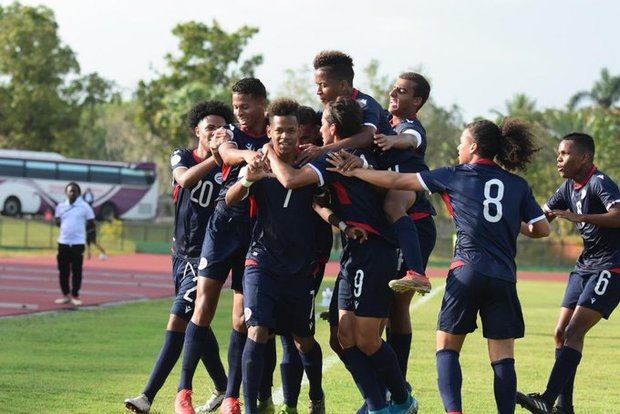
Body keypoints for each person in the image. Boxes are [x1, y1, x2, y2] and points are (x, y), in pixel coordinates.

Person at [327, 118, 551, 414]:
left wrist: (359, 170)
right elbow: (542, 229)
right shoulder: (517, 184)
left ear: (473, 147)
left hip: (466, 272)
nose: (458, 146)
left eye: (461, 141)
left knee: (447, 349)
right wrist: (510, 223)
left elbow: (396, 181)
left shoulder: (454, 175)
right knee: (503, 358)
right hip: (504, 278)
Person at [266, 97, 418, 414]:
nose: (318, 132)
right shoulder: (352, 156)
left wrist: (268, 150)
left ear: (332, 128)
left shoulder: (335, 157)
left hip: (375, 252)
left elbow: (291, 180)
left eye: (321, 126)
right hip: (355, 252)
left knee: (365, 339)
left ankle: (402, 399)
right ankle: (377, 404)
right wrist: (343, 223)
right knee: (343, 337)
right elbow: (318, 203)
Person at [124, 101, 234, 413]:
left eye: (220, 127)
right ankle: (224, 387)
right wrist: (214, 158)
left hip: (208, 257)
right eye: (209, 127)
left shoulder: (231, 168)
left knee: (178, 319)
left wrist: (222, 159)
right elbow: (185, 180)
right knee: (198, 320)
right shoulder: (182, 156)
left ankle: (147, 396)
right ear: (197, 130)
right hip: (179, 253)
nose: (214, 132)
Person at [175, 78, 271, 414]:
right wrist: (249, 156)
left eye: (245, 106)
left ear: (262, 104)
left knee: (241, 320)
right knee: (203, 306)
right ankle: (183, 391)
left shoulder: (274, 133)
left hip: (254, 232)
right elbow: (227, 153)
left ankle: (232, 396)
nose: (239, 112)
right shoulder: (231, 134)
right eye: (236, 106)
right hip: (222, 224)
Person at [225, 98, 326, 414]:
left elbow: (308, 193)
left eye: (291, 130)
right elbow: (229, 199)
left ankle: (316, 396)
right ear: (269, 130)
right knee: (256, 329)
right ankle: (252, 409)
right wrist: (247, 179)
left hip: (299, 268)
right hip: (261, 263)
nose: (285, 136)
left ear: (300, 133)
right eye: (279, 130)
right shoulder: (256, 164)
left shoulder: (313, 165)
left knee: (303, 339)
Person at [516, 133, 620, 414]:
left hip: (610, 267)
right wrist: (508, 220)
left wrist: (581, 217)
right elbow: (538, 223)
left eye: (564, 154)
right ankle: (564, 407)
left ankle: (547, 400)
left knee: (574, 331)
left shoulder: (599, 182)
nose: (558, 159)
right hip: (584, 267)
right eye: (558, 154)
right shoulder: (566, 189)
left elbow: (618, 215)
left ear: (584, 157)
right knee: (561, 333)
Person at [278, 105, 334, 414]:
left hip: (310, 256)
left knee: (302, 335)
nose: (298, 135)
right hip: (277, 255)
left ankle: (315, 393)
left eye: (304, 127)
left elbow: (319, 203)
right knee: (284, 336)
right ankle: (288, 405)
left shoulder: (321, 159)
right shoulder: (279, 155)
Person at [53, 182, 95, 307]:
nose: (72, 193)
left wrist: (86, 235)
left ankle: (75, 295)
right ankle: (65, 294)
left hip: (78, 243)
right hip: (63, 242)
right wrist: (64, 226)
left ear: (78, 193)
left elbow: (92, 222)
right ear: (66, 192)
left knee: (77, 270)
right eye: (70, 191)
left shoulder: (85, 206)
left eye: (74, 191)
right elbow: (57, 220)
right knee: (63, 270)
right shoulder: (61, 206)